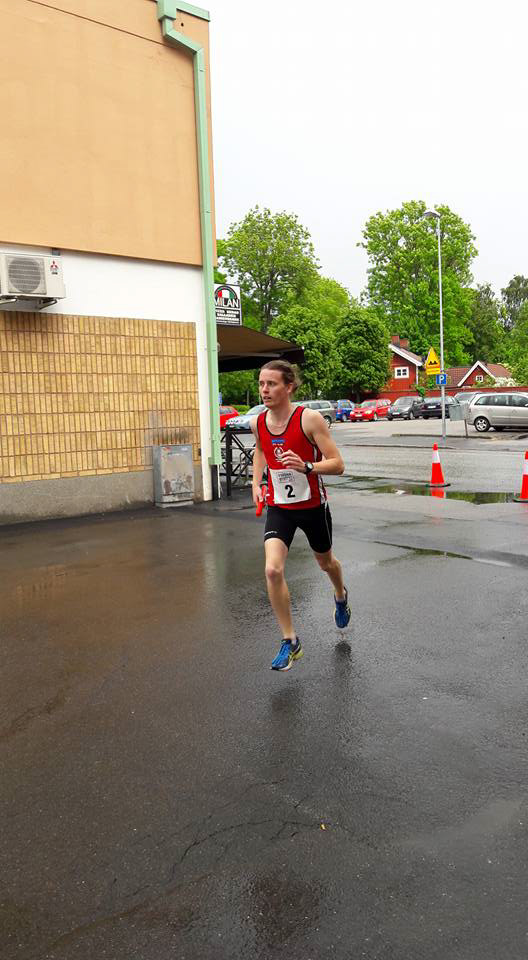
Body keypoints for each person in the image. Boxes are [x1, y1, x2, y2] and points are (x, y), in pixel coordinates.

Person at [250, 360, 350, 672]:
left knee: (326, 563)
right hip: (280, 507)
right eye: (261, 384)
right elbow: (261, 451)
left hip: (311, 506)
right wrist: (256, 482)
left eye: (272, 384)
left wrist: (308, 466)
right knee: (272, 570)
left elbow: (337, 464)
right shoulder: (258, 422)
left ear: (289, 386)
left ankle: (340, 593)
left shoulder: (309, 420)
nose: (265, 389)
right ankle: (290, 641)